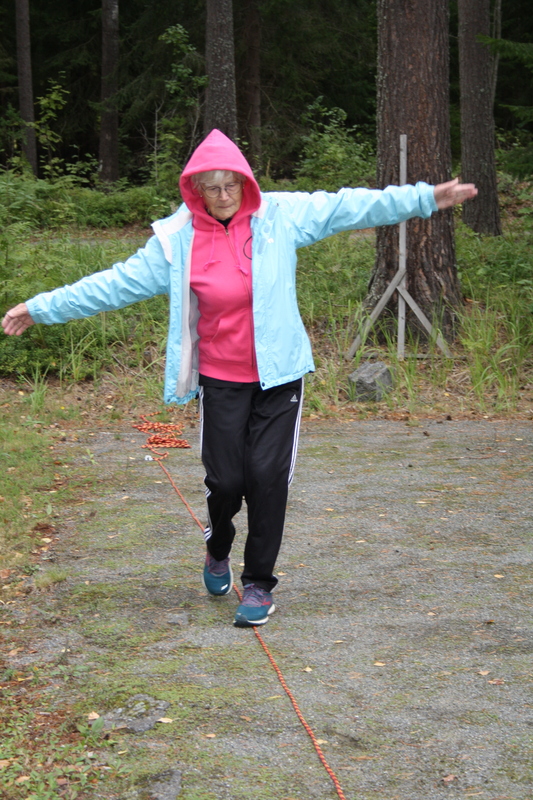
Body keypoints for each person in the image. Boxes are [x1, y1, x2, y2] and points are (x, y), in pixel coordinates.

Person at [2, 129, 477, 627]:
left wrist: (426, 198)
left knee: (268, 479)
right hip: (220, 379)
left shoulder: (279, 216)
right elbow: (112, 285)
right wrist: (40, 308)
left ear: (246, 182)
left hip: (279, 376)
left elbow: (348, 207)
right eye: (213, 187)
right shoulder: (176, 242)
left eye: (232, 184)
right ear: (195, 190)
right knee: (226, 481)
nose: (225, 195)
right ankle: (218, 548)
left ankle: (258, 585)